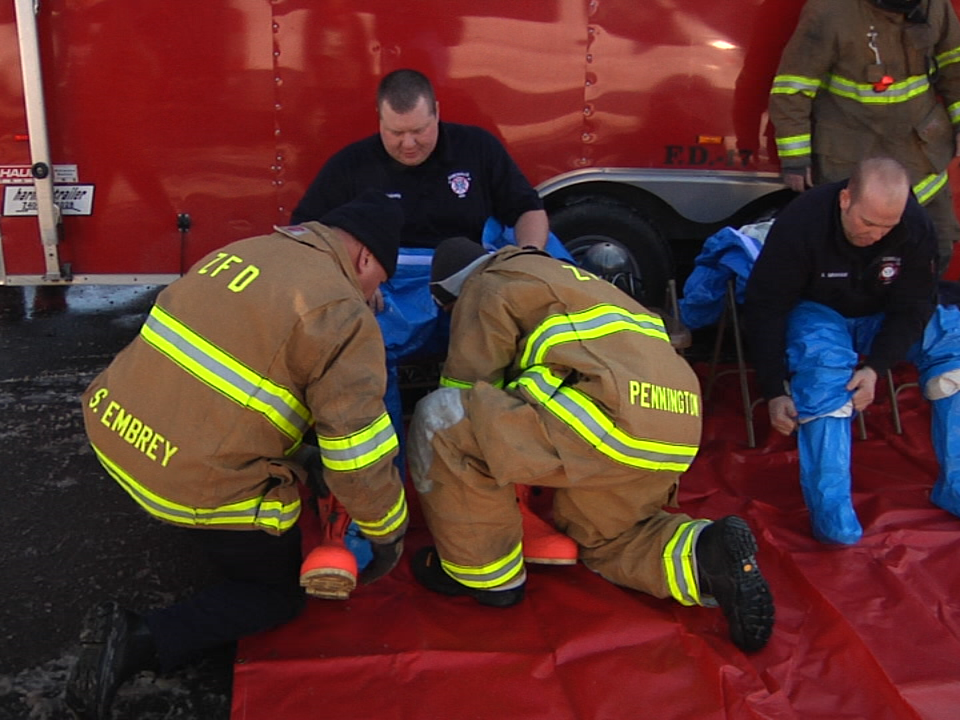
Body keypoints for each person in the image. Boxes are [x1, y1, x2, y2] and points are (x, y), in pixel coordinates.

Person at [65, 191, 409, 720]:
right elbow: (356, 453)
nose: (374, 297)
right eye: (378, 282)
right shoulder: (341, 312)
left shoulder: (241, 251)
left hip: (114, 433)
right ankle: (138, 637)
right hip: (185, 482)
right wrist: (386, 533)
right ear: (365, 258)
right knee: (275, 594)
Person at [406, 237, 776, 653]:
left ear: (449, 294)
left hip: (604, 419)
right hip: (677, 423)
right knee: (609, 538)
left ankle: (485, 577)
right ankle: (703, 556)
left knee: (442, 421)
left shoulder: (486, 284)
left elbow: (469, 388)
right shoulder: (575, 280)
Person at [291, 68, 575, 565]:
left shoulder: (477, 150)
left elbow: (527, 210)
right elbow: (304, 231)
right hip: (390, 290)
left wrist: (524, 262)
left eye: (419, 131)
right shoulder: (353, 165)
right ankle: (367, 508)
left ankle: (513, 500)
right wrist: (347, 279)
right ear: (378, 122)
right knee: (357, 359)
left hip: (471, 284)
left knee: (515, 356)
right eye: (395, 133)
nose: (407, 144)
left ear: (437, 114)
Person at [744, 157, 960, 545]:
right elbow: (767, 306)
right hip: (819, 309)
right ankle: (832, 519)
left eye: (886, 227)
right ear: (845, 199)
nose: (876, 235)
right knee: (824, 371)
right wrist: (774, 388)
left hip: (882, 311)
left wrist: (876, 367)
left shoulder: (915, 228)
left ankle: (956, 485)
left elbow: (915, 305)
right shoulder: (802, 222)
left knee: (953, 349)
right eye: (867, 223)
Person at [768, 0, 960, 273]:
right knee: (857, 265)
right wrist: (795, 158)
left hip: (922, 158)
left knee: (936, 249)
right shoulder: (831, 11)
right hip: (854, 160)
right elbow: (793, 89)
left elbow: (956, 68)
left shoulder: (934, 5)